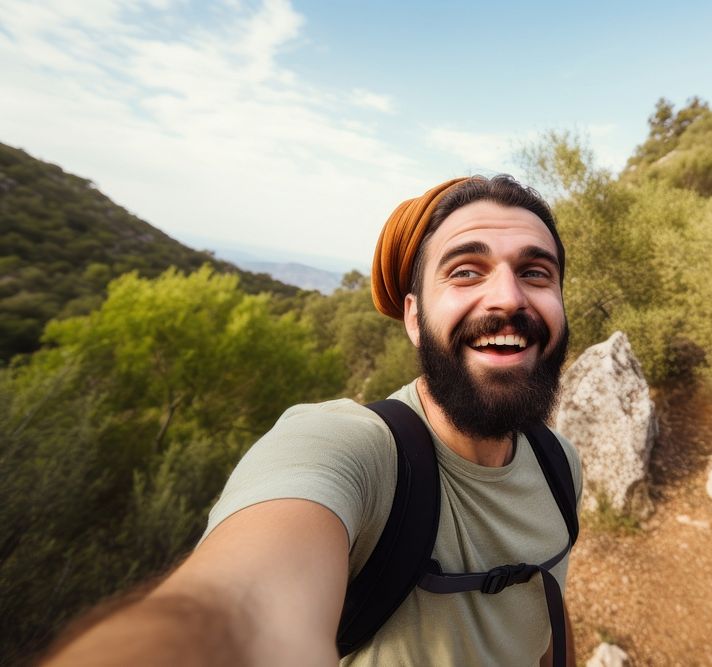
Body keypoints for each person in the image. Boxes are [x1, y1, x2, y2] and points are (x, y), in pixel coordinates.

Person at [44, 174, 581, 666]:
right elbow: (241, 608)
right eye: (466, 271)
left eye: (535, 273)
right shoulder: (355, 451)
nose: (509, 297)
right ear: (414, 318)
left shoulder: (561, 465)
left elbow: (538, 619)